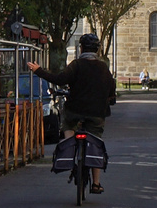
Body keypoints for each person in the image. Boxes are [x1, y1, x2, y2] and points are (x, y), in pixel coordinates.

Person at [25, 33, 116, 195]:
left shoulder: (76, 65)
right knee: (95, 142)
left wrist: (39, 70)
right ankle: (96, 183)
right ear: (97, 49)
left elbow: (59, 79)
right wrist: (110, 98)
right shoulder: (103, 68)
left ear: (81, 48)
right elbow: (111, 87)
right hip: (96, 113)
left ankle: (70, 147)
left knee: (67, 124)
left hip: (75, 110)